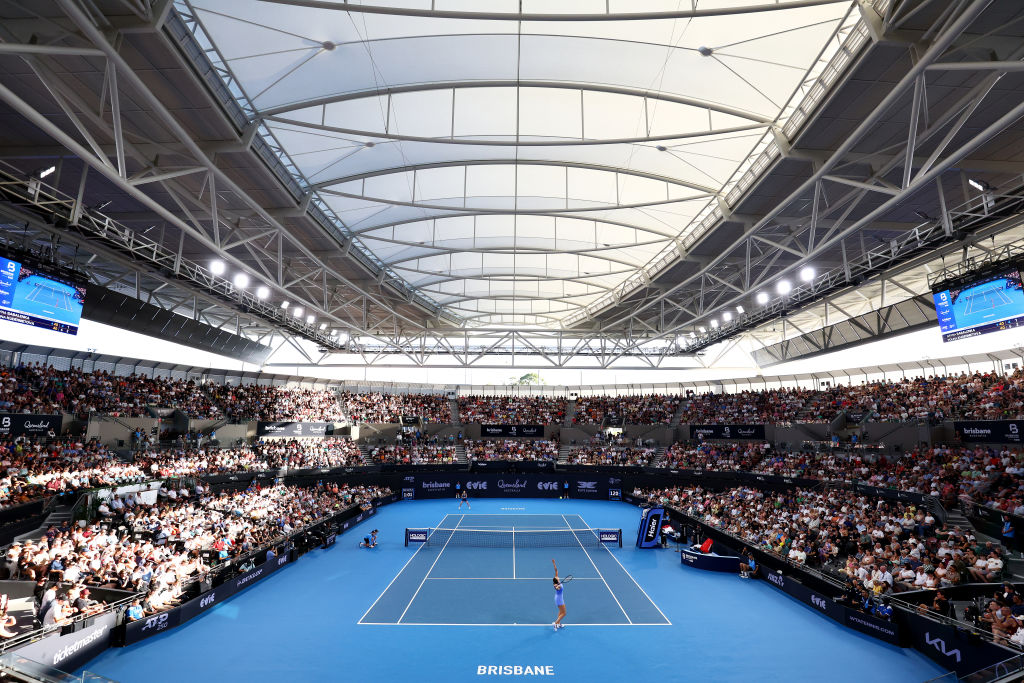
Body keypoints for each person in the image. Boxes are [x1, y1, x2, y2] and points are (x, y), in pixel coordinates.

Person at [552, 559, 566, 631]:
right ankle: (555, 623)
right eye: (557, 577)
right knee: (564, 613)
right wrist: (557, 586)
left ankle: (559, 624)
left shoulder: (556, 581)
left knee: (560, 611)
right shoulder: (557, 585)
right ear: (556, 580)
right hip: (559, 600)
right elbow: (556, 588)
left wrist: (554, 563)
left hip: (558, 598)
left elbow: (556, 570)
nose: (557, 576)